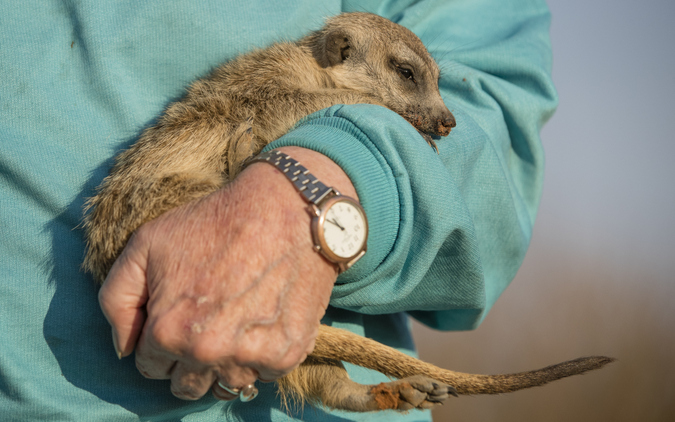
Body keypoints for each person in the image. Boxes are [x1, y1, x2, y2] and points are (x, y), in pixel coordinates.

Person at [0, 0, 557, 420]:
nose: (436, 111)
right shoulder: (285, 75)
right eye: (408, 79)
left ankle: (352, 392)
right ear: (340, 53)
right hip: (155, 204)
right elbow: (264, 116)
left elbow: (495, 118)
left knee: (294, 335)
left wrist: (334, 179)